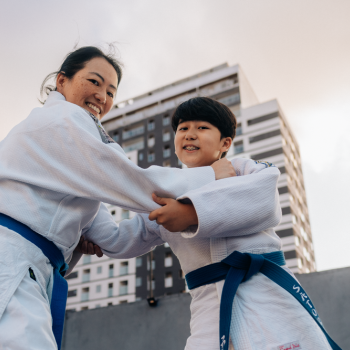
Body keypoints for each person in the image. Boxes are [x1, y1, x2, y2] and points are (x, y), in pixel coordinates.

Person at [0, 46, 237, 350]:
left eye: (111, 92)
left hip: (28, 266)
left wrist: (165, 221)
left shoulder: (73, 153)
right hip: (11, 258)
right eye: (95, 82)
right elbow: (131, 181)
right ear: (62, 81)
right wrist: (209, 176)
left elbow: (114, 239)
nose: (103, 96)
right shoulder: (61, 121)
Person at [82, 97, 339, 350]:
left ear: (225, 143)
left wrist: (191, 213)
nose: (190, 134)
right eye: (183, 128)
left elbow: (264, 199)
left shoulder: (243, 169)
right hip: (208, 306)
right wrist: (83, 211)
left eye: (202, 128)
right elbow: (121, 239)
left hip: (266, 293)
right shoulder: (166, 191)